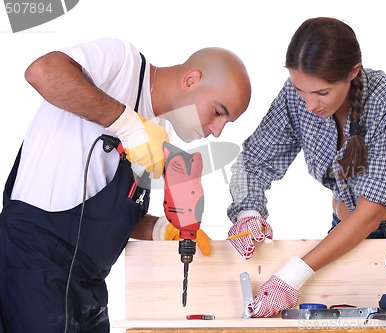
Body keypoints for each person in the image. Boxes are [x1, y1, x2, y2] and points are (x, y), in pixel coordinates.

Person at [0, 38, 251, 332]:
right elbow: (43, 72)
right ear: (192, 80)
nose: (217, 130)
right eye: (219, 112)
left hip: (89, 286)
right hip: (35, 262)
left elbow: (108, 216)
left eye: (226, 123)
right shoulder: (123, 64)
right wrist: (128, 125)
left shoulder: (159, 134)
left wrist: (163, 229)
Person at [226, 17, 386, 318]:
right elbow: (253, 161)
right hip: (341, 234)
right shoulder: (296, 94)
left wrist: (290, 276)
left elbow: (369, 215)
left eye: (322, 93)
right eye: (301, 89)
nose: (308, 105)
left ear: (353, 72)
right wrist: (248, 211)